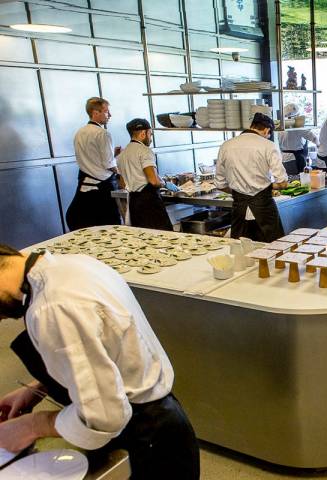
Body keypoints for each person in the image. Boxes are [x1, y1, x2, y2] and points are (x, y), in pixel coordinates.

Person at [0, 245, 199, 479]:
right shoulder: (68, 265)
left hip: (147, 436)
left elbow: (104, 418)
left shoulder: (53, 308)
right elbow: (104, 350)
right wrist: (38, 387)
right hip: (164, 421)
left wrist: (29, 427)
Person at [215, 113, 288, 242]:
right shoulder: (268, 146)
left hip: (239, 210)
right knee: (273, 250)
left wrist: (239, 193)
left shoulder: (226, 145)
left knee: (241, 251)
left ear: (251, 126)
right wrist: (266, 188)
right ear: (266, 130)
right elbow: (282, 183)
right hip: (264, 209)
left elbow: (220, 184)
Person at [65, 97, 123, 231]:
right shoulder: (103, 134)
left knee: (86, 226)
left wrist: (113, 155)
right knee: (111, 227)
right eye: (106, 111)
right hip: (102, 189)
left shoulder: (80, 132)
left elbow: (91, 159)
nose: (110, 115)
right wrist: (122, 174)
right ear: (95, 112)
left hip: (84, 184)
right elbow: (109, 165)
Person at [116, 118, 177, 231]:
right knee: (163, 238)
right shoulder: (145, 151)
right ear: (143, 133)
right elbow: (153, 181)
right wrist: (164, 183)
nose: (151, 139)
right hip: (149, 203)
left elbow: (122, 184)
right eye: (151, 134)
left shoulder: (121, 155)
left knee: (143, 239)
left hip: (134, 203)